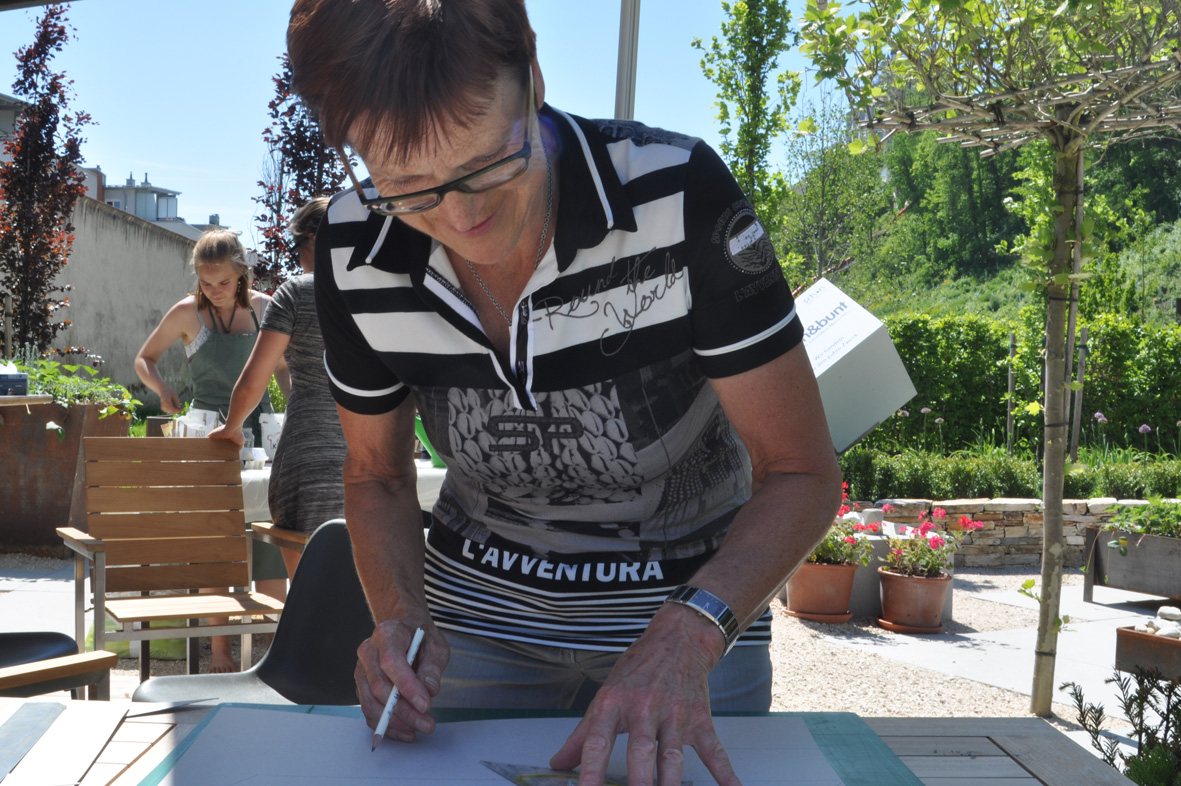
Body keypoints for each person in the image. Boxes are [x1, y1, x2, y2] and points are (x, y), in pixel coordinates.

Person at [287, 2, 842, 784]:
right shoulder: (352, 249)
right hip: (477, 622)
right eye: (408, 189)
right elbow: (376, 474)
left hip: (691, 606)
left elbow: (801, 472)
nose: (463, 217)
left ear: (532, 70)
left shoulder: (674, 195)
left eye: (490, 161)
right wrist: (401, 618)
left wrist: (687, 636)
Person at [134, 229, 290, 672]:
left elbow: (282, 366)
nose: (215, 290)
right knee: (215, 541)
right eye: (206, 282)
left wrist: (293, 403)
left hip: (258, 432)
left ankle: (275, 642)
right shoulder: (187, 312)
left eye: (223, 282)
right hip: (207, 436)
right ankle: (220, 649)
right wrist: (161, 388)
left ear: (241, 273)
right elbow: (144, 358)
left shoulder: (266, 308)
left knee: (269, 534)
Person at [209, 197, 347, 579]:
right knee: (359, 590)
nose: (297, 257)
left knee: (308, 589)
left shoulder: (297, 292)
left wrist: (232, 426)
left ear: (314, 239)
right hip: (372, 454)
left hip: (308, 457)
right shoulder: (381, 293)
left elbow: (255, 378)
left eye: (297, 245)